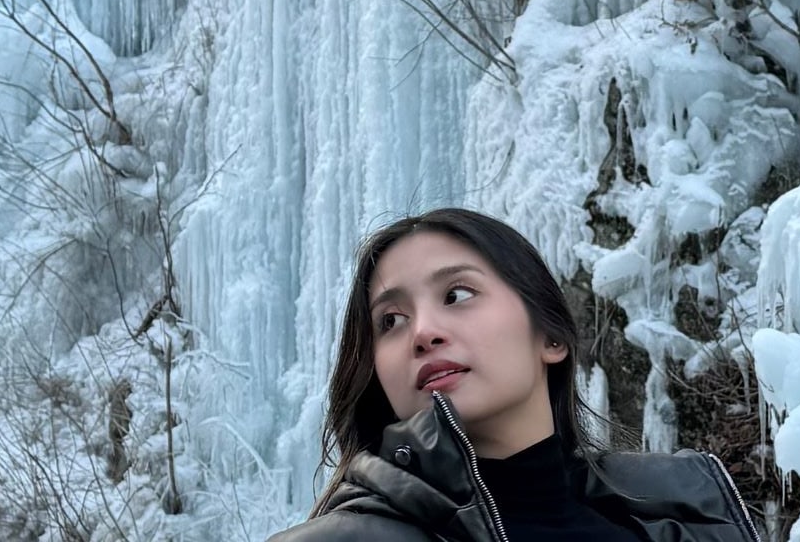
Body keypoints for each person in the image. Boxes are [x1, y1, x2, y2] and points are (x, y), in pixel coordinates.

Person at [269, 208, 765, 542]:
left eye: (457, 295)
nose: (422, 332)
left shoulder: (688, 519)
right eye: (390, 321)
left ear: (551, 338)